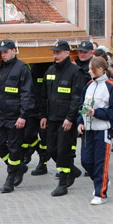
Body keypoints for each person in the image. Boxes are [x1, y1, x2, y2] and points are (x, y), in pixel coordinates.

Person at [0, 39, 34, 193]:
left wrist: (23, 115)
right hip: (1, 115)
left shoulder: (22, 68)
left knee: (14, 148)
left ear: (14, 50)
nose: (3, 55)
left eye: (5, 52)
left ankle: (10, 179)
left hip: (15, 116)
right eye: (1, 53)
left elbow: (27, 93)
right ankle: (19, 167)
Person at [42, 40, 85, 196]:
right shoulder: (50, 70)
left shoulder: (75, 72)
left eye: (58, 52)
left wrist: (70, 118)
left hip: (66, 120)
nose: (56, 55)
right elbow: (45, 95)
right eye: (54, 52)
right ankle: (71, 170)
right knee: (52, 149)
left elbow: (76, 98)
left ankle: (63, 183)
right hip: (52, 118)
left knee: (63, 151)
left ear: (67, 53)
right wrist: (44, 115)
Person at [77, 56, 113, 204]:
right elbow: (81, 106)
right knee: (86, 161)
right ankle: (102, 181)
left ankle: (100, 194)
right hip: (88, 130)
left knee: (100, 162)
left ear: (100, 69)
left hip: (102, 130)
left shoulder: (110, 86)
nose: (89, 71)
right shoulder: (88, 85)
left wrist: (96, 113)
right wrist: (80, 122)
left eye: (91, 68)